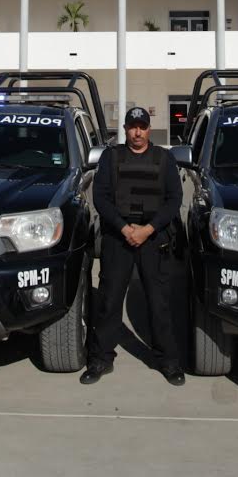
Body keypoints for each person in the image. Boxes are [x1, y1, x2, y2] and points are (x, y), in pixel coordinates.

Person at [81, 106, 185, 386]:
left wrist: (148, 229)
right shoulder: (111, 157)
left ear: (149, 129)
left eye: (142, 126)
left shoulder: (164, 159)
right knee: (109, 301)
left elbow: (174, 199)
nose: (137, 132)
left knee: (159, 302)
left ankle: (168, 361)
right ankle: (100, 359)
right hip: (119, 237)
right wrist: (125, 228)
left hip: (153, 238)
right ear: (124, 129)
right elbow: (100, 198)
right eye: (132, 126)